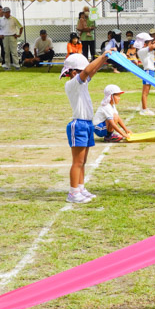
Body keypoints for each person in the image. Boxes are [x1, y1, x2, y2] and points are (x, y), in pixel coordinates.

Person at [61, 52, 109, 204]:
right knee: (78, 161)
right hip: (79, 125)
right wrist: (102, 56)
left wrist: (104, 60)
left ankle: (80, 188)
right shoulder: (72, 83)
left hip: (87, 124)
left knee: (83, 160)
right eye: (81, 71)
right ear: (74, 72)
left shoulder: (81, 82)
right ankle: (73, 192)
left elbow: (91, 71)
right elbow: (88, 71)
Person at [135, 32, 155, 115]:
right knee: (145, 92)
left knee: (147, 92)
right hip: (148, 71)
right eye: (149, 41)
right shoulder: (142, 51)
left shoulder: (145, 49)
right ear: (144, 43)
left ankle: (144, 107)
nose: (151, 42)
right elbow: (153, 46)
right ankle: (144, 109)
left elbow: (152, 44)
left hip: (151, 71)